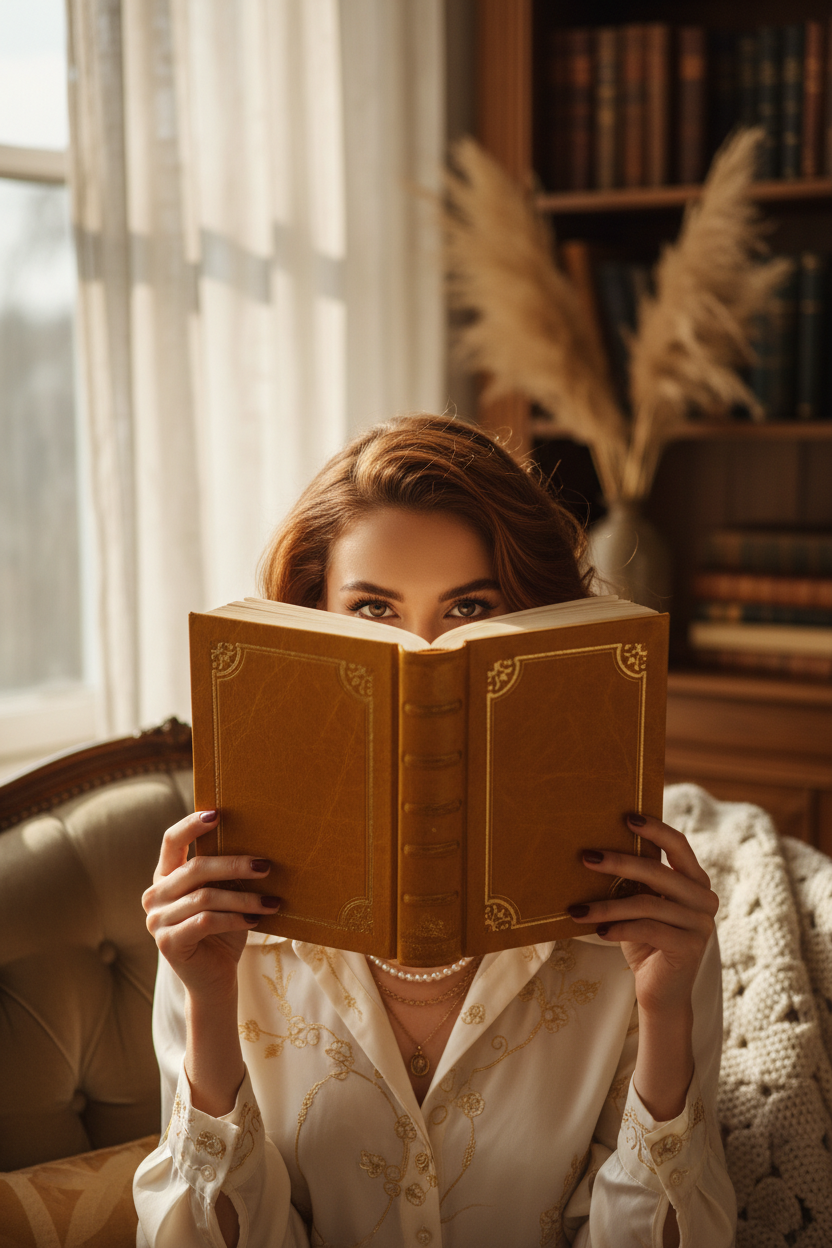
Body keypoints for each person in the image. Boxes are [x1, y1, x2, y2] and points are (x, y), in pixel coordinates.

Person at [135, 414, 737, 1248]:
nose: (423, 650)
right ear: (313, 628)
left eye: (469, 608)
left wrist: (666, 1015)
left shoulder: (639, 932)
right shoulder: (219, 919)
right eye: (373, 610)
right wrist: (205, 1005)